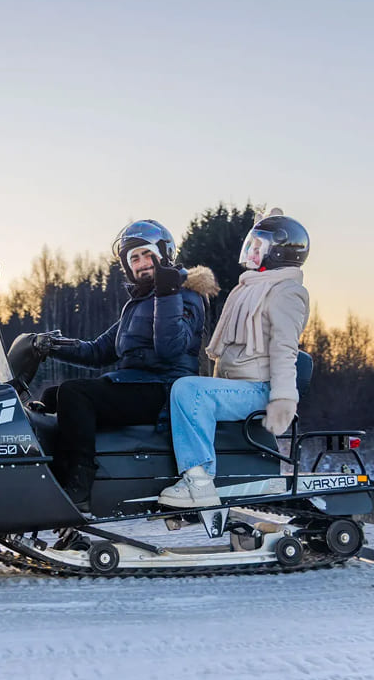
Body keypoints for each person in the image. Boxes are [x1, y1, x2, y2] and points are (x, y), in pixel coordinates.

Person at [41, 220, 219, 506]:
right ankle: (54, 475)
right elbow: (98, 351)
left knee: (75, 394)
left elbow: (170, 349)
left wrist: (167, 293)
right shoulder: (138, 303)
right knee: (54, 396)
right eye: (134, 258)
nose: (141, 263)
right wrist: (50, 346)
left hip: (165, 390)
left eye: (147, 255)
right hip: (137, 384)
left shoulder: (186, 295)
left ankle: (80, 486)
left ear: (165, 255)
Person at [161, 212, 310, 508]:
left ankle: (199, 482)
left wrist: (283, 398)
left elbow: (285, 349)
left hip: (260, 389)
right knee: (182, 388)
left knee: (189, 390)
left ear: (278, 252)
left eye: (259, 246)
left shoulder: (287, 292)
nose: (251, 251)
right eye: (251, 244)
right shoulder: (251, 287)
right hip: (238, 386)